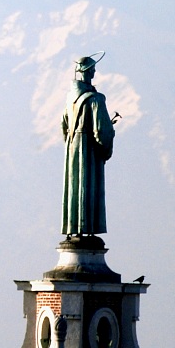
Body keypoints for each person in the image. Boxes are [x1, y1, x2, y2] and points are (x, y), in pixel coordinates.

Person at [61, 54, 115, 236]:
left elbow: (64, 124)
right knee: (88, 185)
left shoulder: (70, 99)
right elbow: (102, 132)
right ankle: (88, 228)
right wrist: (106, 147)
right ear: (89, 72)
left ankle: (73, 228)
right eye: (93, 69)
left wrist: (72, 142)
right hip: (89, 151)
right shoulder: (96, 99)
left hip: (73, 147)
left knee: (74, 186)